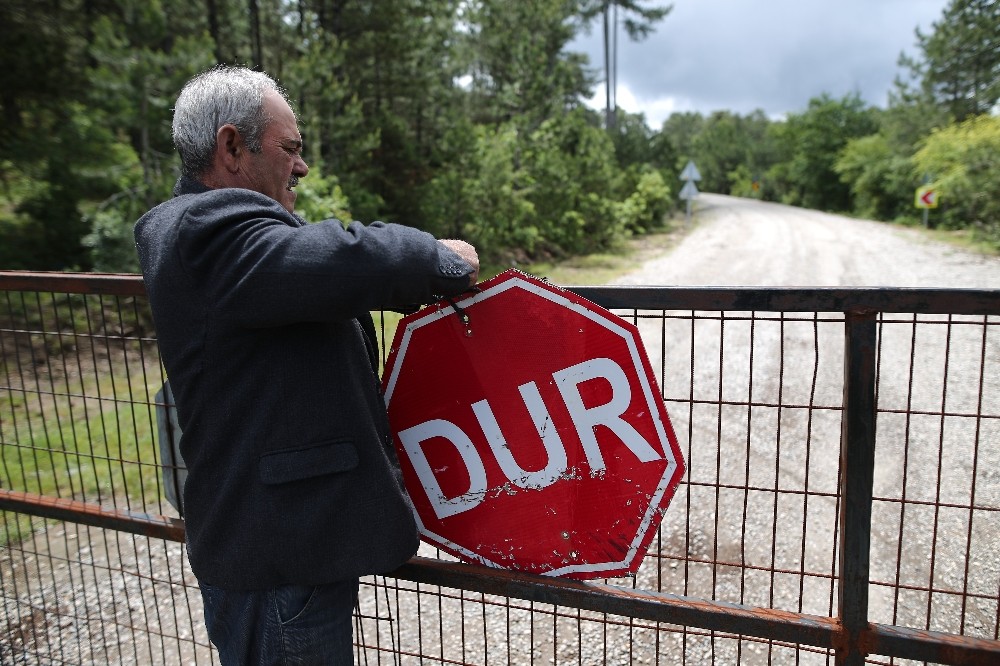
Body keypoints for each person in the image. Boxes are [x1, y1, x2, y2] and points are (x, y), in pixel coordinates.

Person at [134, 65, 479, 665]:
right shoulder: (207, 230)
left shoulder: (212, 233)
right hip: (278, 558)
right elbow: (331, 258)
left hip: (279, 549)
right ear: (232, 146)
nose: (303, 166)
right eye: (289, 148)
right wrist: (436, 256)